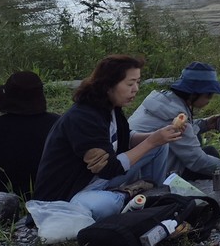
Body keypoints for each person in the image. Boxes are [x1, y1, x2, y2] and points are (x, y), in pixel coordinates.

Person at [34, 55, 183, 219]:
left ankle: (154, 195)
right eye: (129, 84)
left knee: (159, 146)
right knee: (99, 206)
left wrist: (157, 137)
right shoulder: (83, 117)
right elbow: (108, 168)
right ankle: (129, 195)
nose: (135, 89)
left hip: (98, 180)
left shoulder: (111, 107)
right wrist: (150, 141)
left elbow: (124, 138)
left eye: (137, 82)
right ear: (108, 85)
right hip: (70, 193)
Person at [128, 62, 220, 180]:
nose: (210, 100)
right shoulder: (174, 115)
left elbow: (186, 131)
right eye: (209, 95)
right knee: (211, 157)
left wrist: (205, 124)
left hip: (133, 168)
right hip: (145, 175)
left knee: (208, 151)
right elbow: (197, 161)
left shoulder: (163, 102)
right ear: (194, 94)